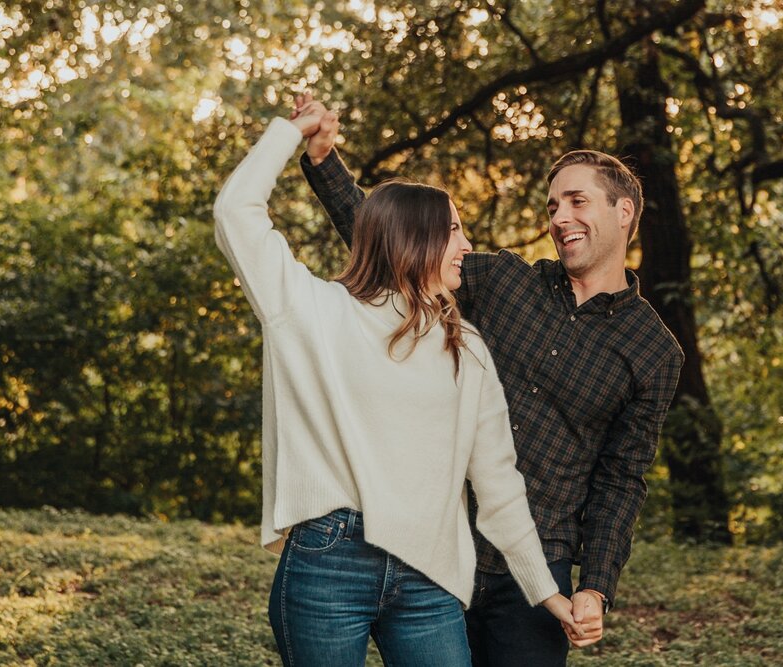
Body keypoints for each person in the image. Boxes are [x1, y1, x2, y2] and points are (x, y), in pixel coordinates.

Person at [296, 95, 685, 666]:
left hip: (537, 567)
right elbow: (397, 244)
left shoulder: (653, 351)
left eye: (578, 201)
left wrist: (595, 585)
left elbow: (621, 479)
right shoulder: (502, 279)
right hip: (439, 545)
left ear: (624, 212)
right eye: (553, 205)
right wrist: (326, 159)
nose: (559, 218)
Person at [214, 104, 580, 667]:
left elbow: (499, 484)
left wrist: (545, 590)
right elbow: (236, 212)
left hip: (430, 574)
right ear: (414, 238)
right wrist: (292, 132)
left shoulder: (469, 348)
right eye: (454, 229)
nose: (465, 245)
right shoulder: (310, 309)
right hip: (329, 561)